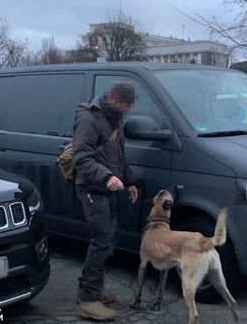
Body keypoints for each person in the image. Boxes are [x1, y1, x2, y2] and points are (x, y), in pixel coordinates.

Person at [72, 82, 138, 321]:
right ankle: (87, 299)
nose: (127, 111)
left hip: (107, 187)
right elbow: (81, 157)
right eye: (125, 105)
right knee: (101, 239)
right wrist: (107, 176)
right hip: (91, 187)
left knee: (107, 238)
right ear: (112, 99)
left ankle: (94, 289)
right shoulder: (89, 118)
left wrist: (129, 182)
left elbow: (120, 154)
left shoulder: (113, 118)